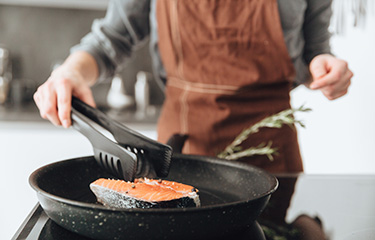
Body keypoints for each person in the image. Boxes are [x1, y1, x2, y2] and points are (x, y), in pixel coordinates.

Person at [33, 0, 353, 174]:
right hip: (180, 155)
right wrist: (71, 72)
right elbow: (110, 40)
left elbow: (315, 50)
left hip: (273, 155)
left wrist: (325, 67)